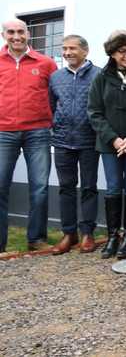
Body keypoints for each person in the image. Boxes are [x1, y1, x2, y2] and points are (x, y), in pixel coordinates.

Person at [88, 30, 126, 259]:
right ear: (112, 54)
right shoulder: (101, 78)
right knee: (114, 188)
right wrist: (113, 139)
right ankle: (113, 236)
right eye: (123, 51)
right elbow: (94, 112)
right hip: (109, 145)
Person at [0, 18, 57, 253]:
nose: (16, 36)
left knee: (40, 187)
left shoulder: (46, 63)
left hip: (38, 132)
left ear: (28, 34)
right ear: (4, 35)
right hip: (3, 131)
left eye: (21, 32)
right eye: (11, 32)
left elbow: (57, 94)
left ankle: (36, 239)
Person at [49, 35, 101, 255]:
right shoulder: (56, 77)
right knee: (66, 188)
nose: (67, 52)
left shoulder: (99, 75)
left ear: (85, 51)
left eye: (72, 48)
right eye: (64, 49)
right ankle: (69, 234)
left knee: (89, 187)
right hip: (62, 141)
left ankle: (88, 233)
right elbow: (52, 106)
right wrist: (56, 127)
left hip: (89, 140)